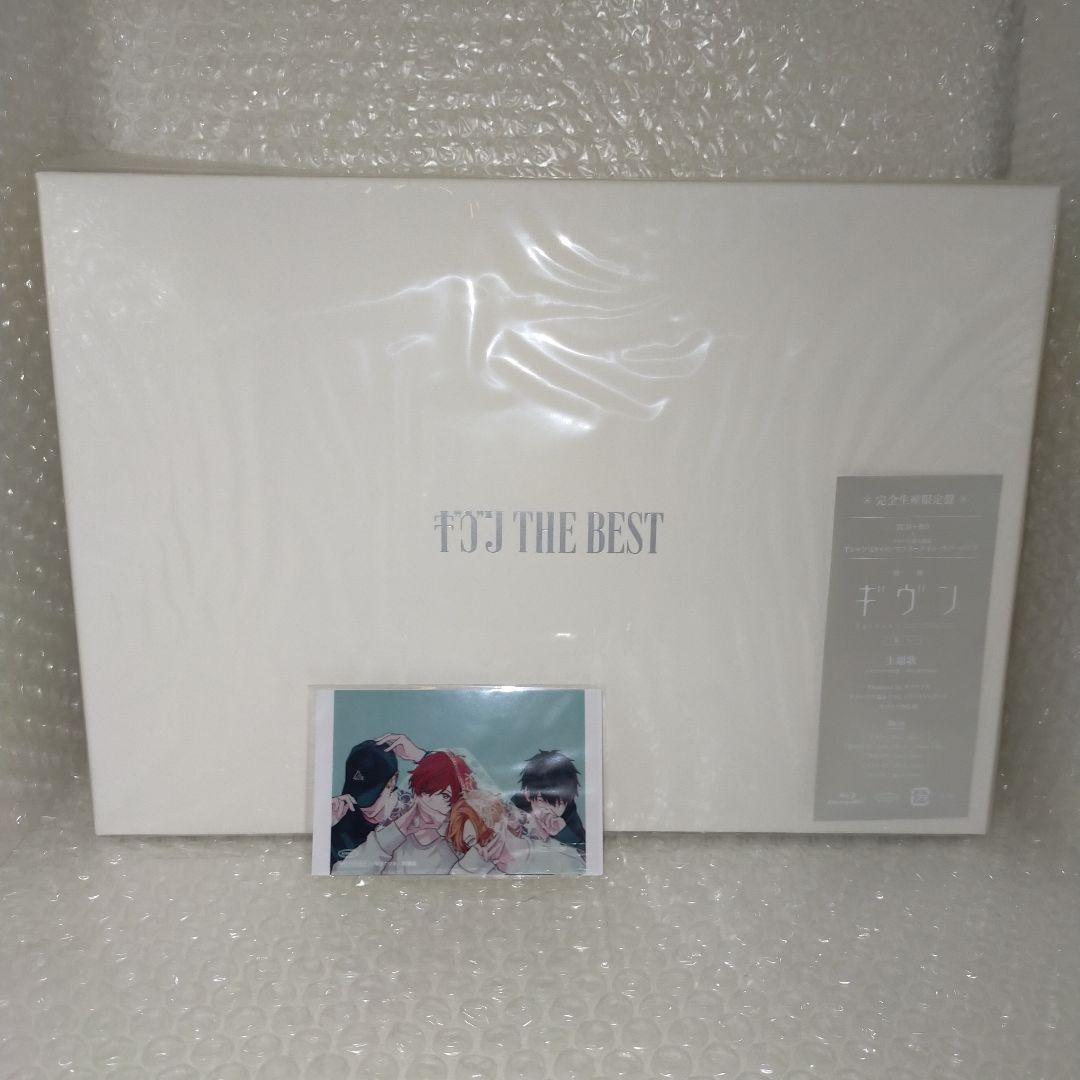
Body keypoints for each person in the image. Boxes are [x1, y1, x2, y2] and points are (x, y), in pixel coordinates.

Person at [332, 750, 475, 875]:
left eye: (449, 797)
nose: (433, 803)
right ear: (419, 791)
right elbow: (342, 875)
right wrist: (393, 833)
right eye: (444, 796)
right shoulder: (389, 837)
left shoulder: (460, 845)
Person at [329, 732, 425, 870]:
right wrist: (324, 828)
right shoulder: (338, 817)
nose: (362, 805)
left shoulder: (418, 813)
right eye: (356, 793)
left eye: (371, 795)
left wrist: (422, 756)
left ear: (393, 781)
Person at [448, 788, 584, 875]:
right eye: (471, 843)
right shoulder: (480, 870)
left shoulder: (558, 856)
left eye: (484, 835)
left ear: (501, 821)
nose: (477, 849)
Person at [510, 749, 586, 853]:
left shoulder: (569, 815)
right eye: (541, 800)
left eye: (558, 803)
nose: (548, 810)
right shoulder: (515, 806)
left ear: (569, 799)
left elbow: (586, 851)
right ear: (527, 793)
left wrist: (563, 833)